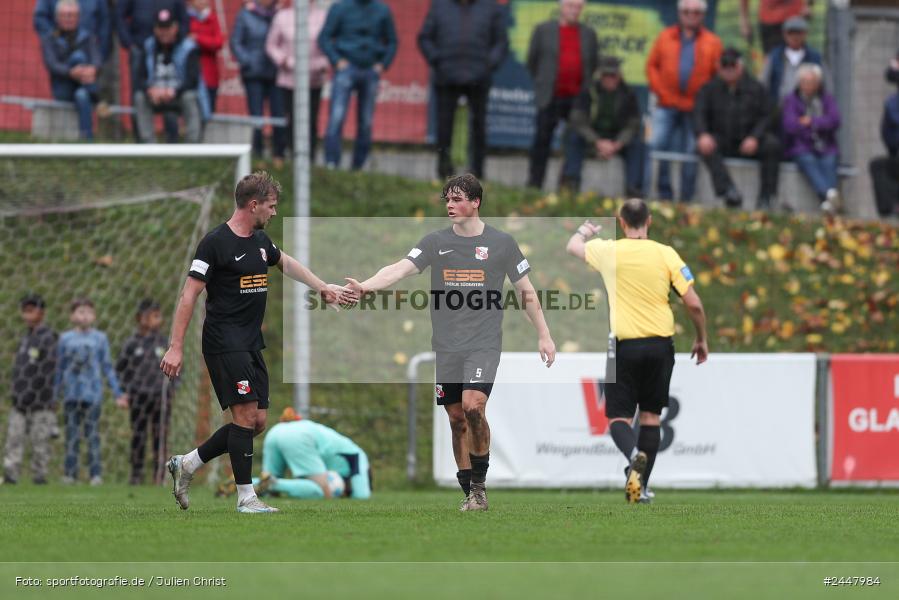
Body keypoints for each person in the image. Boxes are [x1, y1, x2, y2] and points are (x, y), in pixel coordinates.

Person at [345, 174, 556, 511]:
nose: (450, 206)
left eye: (457, 199)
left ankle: (480, 488)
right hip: (446, 346)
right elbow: (399, 268)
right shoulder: (434, 242)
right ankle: (469, 494)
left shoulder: (502, 243)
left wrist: (544, 334)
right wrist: (367, 287)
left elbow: (526, 291)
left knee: (474, 406)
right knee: (456, 418)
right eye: (447, 200)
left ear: (476, 203)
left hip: (484, 343)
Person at [160, 172, 350, 514]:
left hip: (250, 342)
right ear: (253, 204)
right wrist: (175, 346)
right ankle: (246, 498)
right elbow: (189, 294)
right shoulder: (215, 243)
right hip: (223, 341)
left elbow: (286, 263)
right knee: (245, 416)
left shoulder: (260, 241)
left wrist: (321, 286)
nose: (274, 213)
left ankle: (186, 464)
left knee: (257, 421)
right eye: (271, 206)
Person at [566, 199, 708, 504]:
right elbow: (694, 303)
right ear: (650, 220)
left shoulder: (608, 250)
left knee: (618, 417)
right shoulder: (666, 254)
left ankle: (633, 457)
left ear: (621, 220)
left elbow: (573, 246)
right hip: (660, 345)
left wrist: (586, 229)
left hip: (624, 345)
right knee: (651, 417)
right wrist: (701, 339)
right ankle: (639, 487)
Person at [418, 0, 509, 180]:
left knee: (479, 127)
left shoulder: (491, 7)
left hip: (479, 78)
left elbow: (501, 42)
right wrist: (437, 60)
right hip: (446, 77)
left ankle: (477, 173)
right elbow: (424, 38)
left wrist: (489, 64)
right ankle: (444, 171)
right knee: (444, 127)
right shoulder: (439, 6)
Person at [646, 0, 722, 202]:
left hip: (696, 108)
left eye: (696, 12)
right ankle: (663, 195)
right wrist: (661, 92)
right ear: (680, 13)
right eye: (687, 11)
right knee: (658, 145)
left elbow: (717, 77)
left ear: (703, 15)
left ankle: (686, 198)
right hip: (666, 104)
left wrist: (705, 102)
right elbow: (652, 66)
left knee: (691, 152)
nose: (691, 15)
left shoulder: (713, 42)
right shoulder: (665, 36)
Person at [218, 407, 372, 500]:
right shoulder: (359, 456)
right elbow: (362, 495)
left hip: (276, 432)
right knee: (321, 491)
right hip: (300, 435)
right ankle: (273, 483)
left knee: (270, 491)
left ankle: (248, 482)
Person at [694, 48, 781, 209]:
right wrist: (703, 134)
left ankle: (766, 198)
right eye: (724, 65)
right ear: (718, 67)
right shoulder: (709, 89)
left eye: (732, 65)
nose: (728, 70)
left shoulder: (756, 88)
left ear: (741, 66)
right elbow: (699, 113)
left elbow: (769, 115)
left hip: (749, 140)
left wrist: (755, 137)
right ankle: (728, 191)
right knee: (704, 146)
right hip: (722, 139)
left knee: (772, 145)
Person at [524, 0, 596, 191]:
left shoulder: (589, 34)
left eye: (578, 6)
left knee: (575, 143)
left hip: (577, 98)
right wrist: (543, 82)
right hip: (550, 95)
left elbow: (593, 64)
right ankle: (534, 184)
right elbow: (532, 61)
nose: (574, 10)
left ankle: (569, 186)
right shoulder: (543, 30)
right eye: (570, 5)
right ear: (561, 6)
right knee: (542, 141)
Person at [318, 0, 398, 170]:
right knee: (337, 117)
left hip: (370, 70)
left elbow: (392, 41)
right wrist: (337, 61)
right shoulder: (339, 8)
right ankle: (331, 163)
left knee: (366, 121)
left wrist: (382, 64)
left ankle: (358, 167)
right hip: (345, 69)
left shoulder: (382, 10)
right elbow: (324, 37)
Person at [56, 298, 127, 485]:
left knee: (93, 435)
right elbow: (60, 368)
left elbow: (107, 367)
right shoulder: (65, 339)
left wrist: (118, 393)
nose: (84, 315)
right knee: (71, 435)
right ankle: (70, 474)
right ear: (72, 316)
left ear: (94, 316)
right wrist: (55, 395)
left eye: (88, 312)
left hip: (92, 395)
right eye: (80, 311)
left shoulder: (100, 338)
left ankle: (95, 474)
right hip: (71, 394)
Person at [569, 55, 645, 198]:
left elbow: (633, 123)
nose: (610, 79)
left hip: (616, 139)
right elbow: (578, 120)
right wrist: (597, 141)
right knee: (574, 138)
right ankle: (571, 182)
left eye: (613, 75)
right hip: (594, 137)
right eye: (606, 75)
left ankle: (633, 189)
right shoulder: (588, 91)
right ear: (600, 76)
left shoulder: (628, 93)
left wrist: (618, 143)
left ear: (619, 75)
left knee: (637, 145)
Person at [116, 299, 173, 485]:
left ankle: (160, 475)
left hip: (160, 397)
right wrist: (124, 391)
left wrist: (173, 387)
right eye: (153, 315)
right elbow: (121, 369)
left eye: (159, 315)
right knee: (138, 436)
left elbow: (176, 366)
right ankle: (136, 474)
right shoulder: (132, 344)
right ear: (141, 318)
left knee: (160, 436)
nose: (157, 319)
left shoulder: (164, 342)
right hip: (138, 397)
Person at [3, 295, 57, 486]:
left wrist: (44, 396)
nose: (26, 315)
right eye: (24, 311)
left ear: (41, 313)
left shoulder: (47, 338)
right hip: (19, 401)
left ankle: (40, 476)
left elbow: (48, 371)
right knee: (14, 438)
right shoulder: (26, 338)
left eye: (30, 310)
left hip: (40, 401)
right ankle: (10, 474)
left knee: (39, 441)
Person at [133, 9, 210, 143]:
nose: (164, 32)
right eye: (160, 28)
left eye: (167, 28)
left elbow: (192, 80)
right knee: (140, 97)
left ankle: (193, 148)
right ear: (155, 29)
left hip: (178, 95)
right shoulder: (148, 46)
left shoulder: (188, 48)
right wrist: (150, 89)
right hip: (156, 96)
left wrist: (172, 91)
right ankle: (148, 147)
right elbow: (139, 78)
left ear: (175, 28)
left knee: (190, 97)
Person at [117, 1, 189, 142]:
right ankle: (142, 142)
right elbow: (120, 15)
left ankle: (172, 140)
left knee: (170, 90)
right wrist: (129, 43)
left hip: (169, 48)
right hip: (140, 47)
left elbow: (184, 19)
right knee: (140, 93)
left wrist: (177, 42)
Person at [266, 0, 330, 160]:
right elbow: (271, 45)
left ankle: (310, 160)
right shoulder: (282, 16)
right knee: (289, 119)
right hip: (288, 79)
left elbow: (330, 46)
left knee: (311, 120)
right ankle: (289, 156)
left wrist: (320, 64)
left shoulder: (323, 17)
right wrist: (284, 60)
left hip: (313, 79)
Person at [782, 63, 841, 214]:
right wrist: (817, 125)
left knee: (829, 160)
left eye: (812, 82)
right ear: (799, 83)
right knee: (808, 160)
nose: (808, 86)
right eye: (805, 82)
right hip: (801, 146)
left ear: (818, 83)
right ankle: (829, 195)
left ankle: (827, 201)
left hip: (825, 146)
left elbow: (834, 121)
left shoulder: (826, 99)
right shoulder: (791, 100)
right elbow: (790, 125)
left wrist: (811, 121)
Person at [231, 0, 285, 166]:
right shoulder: (245, 14)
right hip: (253, 74)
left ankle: (279, 154)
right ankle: (258, 153)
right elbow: (235, 42)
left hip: (276, 72)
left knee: (279, 114)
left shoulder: (279, 15)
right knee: (256, 116)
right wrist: (248, 61)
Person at [39, 0, 102, 141]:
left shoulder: (88, 37)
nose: (69, 19)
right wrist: (71, 72)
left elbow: (97, 60)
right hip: (62, 88)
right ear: (57, 17)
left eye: (72, 15)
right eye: (65, 15)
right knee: (78, 57)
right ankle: (96, 97)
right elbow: (52, 65)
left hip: (82, 88)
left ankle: (87, 140)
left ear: (78, 17)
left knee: (82, 95)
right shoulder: (49, 38)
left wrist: (93, 69)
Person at [761, 17, 824, 106]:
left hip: (808, 110)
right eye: (791, 33)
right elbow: (764, 83)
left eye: (798, 33)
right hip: (779, 109)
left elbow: (826, 86)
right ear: (784, 34)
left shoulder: (815, 57)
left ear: (805, 34)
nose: (794, 37)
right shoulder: (775, 56)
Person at [34, 0, 111, 60]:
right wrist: (55, 41)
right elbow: (40, 19)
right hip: (60, 55)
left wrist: (100, 55)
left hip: (89, 53)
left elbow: (104, 23)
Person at [187, 0, 223, 112]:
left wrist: (198, 39)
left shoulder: (212, 18)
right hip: (190, 72)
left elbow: (218, 42)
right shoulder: (186, 18)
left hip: (209, 74)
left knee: (209, 110)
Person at [739, 0, 810, 55]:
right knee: (771, 60)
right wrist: (744, 20)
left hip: (794, 18)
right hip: (770, 21)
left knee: (798, 56)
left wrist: (807, 5)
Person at [869, 89, 899, 218]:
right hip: (895, 153)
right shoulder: (892, 103)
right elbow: (889, 137)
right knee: (878, 165)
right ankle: (889, 211)